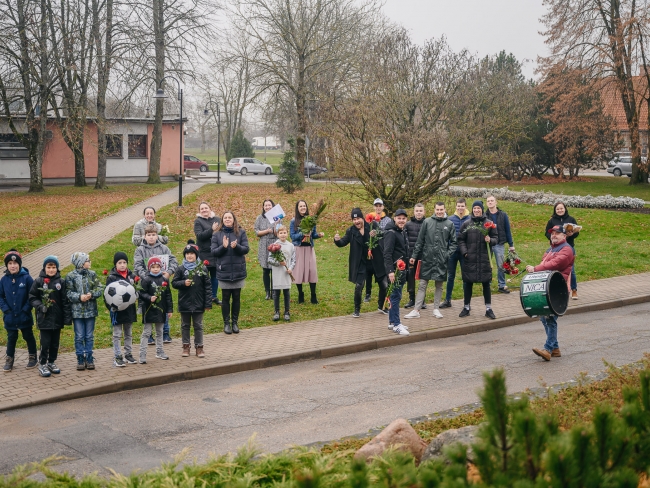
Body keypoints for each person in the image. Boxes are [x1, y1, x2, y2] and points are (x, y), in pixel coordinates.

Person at [527, 225, 575, 361]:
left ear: (564, 236)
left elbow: (555, 264)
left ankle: (548, 349)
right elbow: (546, 263)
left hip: (559, 288)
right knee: (544, 316)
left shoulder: (566, 249)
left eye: (557, 233)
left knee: (550, 318)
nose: (554, 235)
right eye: (552, 233)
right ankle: (555, 348)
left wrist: (535, 269)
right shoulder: (550, 249)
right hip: (549, 287)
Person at [405, 202, 457, 320]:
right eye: (437, 209)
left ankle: (436, 309)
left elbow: (454, 243)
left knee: (439, 285)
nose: (439, 211)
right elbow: (420, 241)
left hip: (441, 260)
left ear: (444, 210)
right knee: (422, 284)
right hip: (427, 259)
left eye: (441, 209)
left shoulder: (449, 224)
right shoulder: (427, 222)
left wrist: (447, 255)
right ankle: (416, 310)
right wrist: (414, 256)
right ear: (434, 209)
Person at [134, 224, 178, 344]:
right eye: (149, 235)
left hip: (161, 283)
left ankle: (165, 333)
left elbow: (174, 261)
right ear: (145, 236)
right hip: (147, 284)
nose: (151, 237)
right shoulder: (140, 250)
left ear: (157, 235)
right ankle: (148, 336)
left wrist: (168, 272)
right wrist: (146, 277)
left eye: (153, 235)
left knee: (162, 305)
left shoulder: (164, 248)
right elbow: (137, 266)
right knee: (148, 307)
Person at [29, 255, 71, 377]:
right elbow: (32, 297)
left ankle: (51, 361)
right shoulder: (38, 281)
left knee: (55, 343)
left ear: (57, 268)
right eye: (49, 267)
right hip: (44, 319)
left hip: (57, 319)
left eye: (53, 267)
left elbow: (64, 301)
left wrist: (67, 318)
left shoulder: (61, 282)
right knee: (45, 343)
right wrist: (41, 307)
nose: (51, 270)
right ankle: (42, 363)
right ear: (44, 268)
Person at [457, 201, 498, 319]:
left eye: (478, 208)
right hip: (470, 258)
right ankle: (466, 307)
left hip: (484, 259)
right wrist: (465, 252)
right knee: (468, 283)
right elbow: (460, 239)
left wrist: (490, 240)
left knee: (486, 283)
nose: (476, 210)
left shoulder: (489, 224)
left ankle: (488, 309)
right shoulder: (466, 224)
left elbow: (496, 238)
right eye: (474, 208)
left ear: (482, 209)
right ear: (472, 209)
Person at [211, 211, 249, 335]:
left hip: (238, 270)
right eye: (225, 218)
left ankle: (235, 323)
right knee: (226, 297)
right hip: (224, 271)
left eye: (230, 217)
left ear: (234, 220)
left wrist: (236, 246)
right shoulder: (217, 234)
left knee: (237, 297)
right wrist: (223, 246)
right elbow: (214, 252)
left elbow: (246, 249)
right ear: (222, 220)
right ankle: (226, 323)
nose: (227, 219)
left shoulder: (240, 232)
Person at [172, 240, 212, 358]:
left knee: (198, 325)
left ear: (196, 255)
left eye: (192, 254)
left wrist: (208, 303)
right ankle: (186, 346)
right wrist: (183, 283)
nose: (189, 256)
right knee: (185, 325)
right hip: (185, 303)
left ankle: (199, 347)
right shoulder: (180, 269)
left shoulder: (202, 269)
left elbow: (208, 287)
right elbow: (174, 283)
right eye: (187, 254)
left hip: (198, 303)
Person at [66, 252, 104, 370]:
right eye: (88, 260)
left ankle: (89, 357)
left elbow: (99, 287)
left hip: (90, 310)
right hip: (77, 312)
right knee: (79, 336)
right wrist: (79, 297)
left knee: (89, 335)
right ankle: (80, 358)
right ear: (81, 263)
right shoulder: (70, 276)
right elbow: (68, 292)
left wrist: (91, 294)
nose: (90, 262)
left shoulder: (92, 274)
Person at [1, 250, 37, 372]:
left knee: (28, 335)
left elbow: (32, 295)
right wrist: (5, 310)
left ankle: (33, 356)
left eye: (15, 263)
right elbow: (0, 296)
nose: (13, 265)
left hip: (24, 315)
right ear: (7, 265)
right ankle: (9, 359)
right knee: (11, 337)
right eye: (10, 263)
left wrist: (26, 309)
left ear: (19, 264)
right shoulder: (4, 280)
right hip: (10, 316)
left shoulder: (26, 278)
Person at [334, 208, 372, 317]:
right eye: (354, 219)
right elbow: (343, 242)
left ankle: (382, 306)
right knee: (359, 286)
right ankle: (357, 309)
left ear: (362, 218)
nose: (356, 221)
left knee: (383, 284)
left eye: (358, 218)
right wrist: (337, 240)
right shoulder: (351, 231)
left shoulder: (371, 227)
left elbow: (380, 239)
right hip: (360, 262)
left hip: (372, 261)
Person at [104, 252, 138, 367]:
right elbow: (106, 296)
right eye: (120, 263)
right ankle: (118, 356)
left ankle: (128, 354)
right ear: (115, 264)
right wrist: (111, 308)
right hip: (117, 312)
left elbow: (136, 291)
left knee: (128, 333)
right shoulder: (112, 278)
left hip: (129, 310)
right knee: (117, 334)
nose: (122, 265)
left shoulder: (131, 277)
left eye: (124, 262)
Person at [139, 257, 173, 363]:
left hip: (160, 309)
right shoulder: (146, 279)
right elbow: (141, 293)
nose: (155, 269)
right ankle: (142, 355)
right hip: (149, 310)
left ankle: (160, 351)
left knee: (160, 331)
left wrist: (169, 310)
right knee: (147, 332)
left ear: (161, 267)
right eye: (153, 267)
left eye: (157, 267)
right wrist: (149, 298)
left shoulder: (164, 280)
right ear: (149, 268)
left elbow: (168, 296)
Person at [290, 200, 324, 305]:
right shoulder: (293, 221)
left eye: (304, 206)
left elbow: (313, 235)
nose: (303, 208)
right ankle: (301, 294)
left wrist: (318, 235)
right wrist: (303, 234)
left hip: (309, 248)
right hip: (299, 248)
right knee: (299, 272)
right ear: (297, 208)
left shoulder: (311, 219)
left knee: (312, 271)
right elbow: (292, 236)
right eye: (301, 206)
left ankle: (313, 295)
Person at [383, 208, 410, 336]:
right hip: (394, 271)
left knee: (396, 296)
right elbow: (387, 253)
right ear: (394, 219)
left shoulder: (402, 231)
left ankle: (392, 321)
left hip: (402, 269)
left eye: (403, 218)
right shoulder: (391, 233)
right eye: (399, 218)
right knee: (395, 297)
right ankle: (396, 324)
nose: (401, 220)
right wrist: (390, 271)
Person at [545, 202, 579, 300]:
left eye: (561, 208)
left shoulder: (571, 219)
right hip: (556, 248)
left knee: (571, 270)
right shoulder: (552, 221)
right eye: (558, 209)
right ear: (555, 210)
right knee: (555, 269)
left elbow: (577, 233)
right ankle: (558, 290)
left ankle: (574, 290)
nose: (560, 210)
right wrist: (553, 238)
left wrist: (572, 234)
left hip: (569, 247)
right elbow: (547, 233)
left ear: (565, 209)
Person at [441, 198, 470, 309]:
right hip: (452, 252)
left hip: (465, 253)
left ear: (465, 206)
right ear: (456, 207)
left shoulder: (470, 219)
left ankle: (466, 303)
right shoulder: (450, 219)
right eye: (458, 206)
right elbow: (446, 235)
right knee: (451, 276)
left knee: (465, 277)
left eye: (462, 206)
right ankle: (448, 300)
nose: (460, 208)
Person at [363, 198, 392, 302]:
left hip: (382, 249)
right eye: (376, 206)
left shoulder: (388, 220)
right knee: (368, 272)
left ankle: (383, 293)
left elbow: (388, 233)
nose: (378, 208)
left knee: (380, 273)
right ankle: (368, 293)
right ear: (374, 207)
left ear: (383, 207)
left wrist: (378, 232)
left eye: (380, 206)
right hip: (370, 249)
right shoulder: (369, 219)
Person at [486, 195, 515, 294]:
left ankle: (502, 285)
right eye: (488, 201)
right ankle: (487, 284)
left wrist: (511, 245)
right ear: (486, 203)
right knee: (487, 265)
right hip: (488, 244)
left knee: (501, 265)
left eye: (492, 201)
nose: (490, 202)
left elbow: (508, 230)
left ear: (496, 202)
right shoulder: (485, 215)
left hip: (499, 243)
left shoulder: (503, 215)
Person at [193, 201, 221, 305]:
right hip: (204, 252)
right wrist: (211, 230)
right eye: (202, 209)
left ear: (210, 208)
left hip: (216, 251)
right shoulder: (198, 221)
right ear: (199, 211)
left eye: (206, 208)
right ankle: (204, 297)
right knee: (203, 276)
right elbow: (199, 236)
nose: (204, 210)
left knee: (215, 276)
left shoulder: (217, 219)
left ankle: (213, 296)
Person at [268, 224, 295, 321]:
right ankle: (276, 311)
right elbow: (270, 259)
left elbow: (293, 259)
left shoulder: (291, 246)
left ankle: (287, 311)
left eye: (284, 233)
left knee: (286, 292)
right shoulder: (274, 245)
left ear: (287, 234)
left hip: (286, 272)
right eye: (281, 233)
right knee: (276, 292)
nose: (283, 235)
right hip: (277, 272)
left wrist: (291, 268)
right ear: (277, 234)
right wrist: (278, 262)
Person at [404, 203, 427, 309]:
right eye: (417, 211)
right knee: (411, 278)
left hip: (424, 255)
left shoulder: (427, 223)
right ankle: (412, 299)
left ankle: (422, 300)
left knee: (423, 278)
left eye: (421, 211)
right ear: (414, 212)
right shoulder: (408, 224)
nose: (419, 213)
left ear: (424, 212)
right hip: (411, 256)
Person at [254, 199, 277, 300]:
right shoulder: (260, 218)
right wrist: (267, 231)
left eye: (269, 205)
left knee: (274, 269)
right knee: (265, 270)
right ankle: (267, 291)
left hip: (274, 244)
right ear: (263, 207)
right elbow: (257, 232)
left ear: (273, 206)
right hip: (264, 244)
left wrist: (277, 227)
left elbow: (279, 232)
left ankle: (274, 291)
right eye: (266, 205)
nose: (267, 207)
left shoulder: (277, 217)